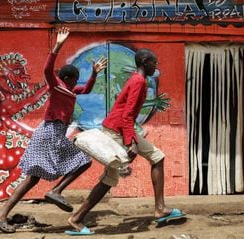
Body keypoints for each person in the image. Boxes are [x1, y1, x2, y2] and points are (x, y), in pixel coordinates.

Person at [0, 27, 108, 233]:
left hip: (49, 133)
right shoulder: (58, 85)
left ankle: (0, 215)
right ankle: (57, 190)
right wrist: (58, 46)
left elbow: (85, 90)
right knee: (84, 161)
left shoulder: (69, 91)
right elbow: (47, 70)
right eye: (75, 79)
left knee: (32, 178)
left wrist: (94, 74)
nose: (76, 83)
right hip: (51, 132)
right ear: (69, 78)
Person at [65, 48, 184, 235]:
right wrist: (131, 142)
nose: (156, 66)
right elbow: (127, 114)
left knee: (156, 157)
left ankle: (160, 209)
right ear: (145, 61)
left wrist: (131, 138)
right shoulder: (138, 81)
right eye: (154, 62)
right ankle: (77, 218)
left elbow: (128, 114)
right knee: (110, 179)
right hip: (117, 133)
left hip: (121, 130)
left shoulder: (138, 80)